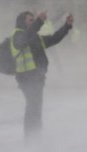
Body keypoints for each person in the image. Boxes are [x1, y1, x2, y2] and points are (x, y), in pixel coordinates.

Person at [7, 10, 73, 138]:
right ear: (22, 22)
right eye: (30, 20)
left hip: (37, 76)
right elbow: (22, 42)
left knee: (36, 107)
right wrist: (39, 22)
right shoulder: (17, 35)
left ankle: (36, 136)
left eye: (33, 20)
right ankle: (31, 139)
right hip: (26, 77)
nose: (33, 22)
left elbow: (53, 39)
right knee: (32, 107)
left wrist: (67, 26)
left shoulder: (33, 36)